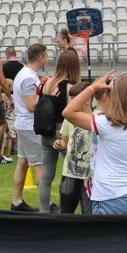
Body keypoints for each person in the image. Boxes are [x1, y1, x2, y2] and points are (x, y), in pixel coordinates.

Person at [62, 72, 127, 214]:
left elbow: (68, 112)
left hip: (111, 194)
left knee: (108, 236)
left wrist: (92, 88)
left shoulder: (107, 124)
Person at [37, 49, 81, 214]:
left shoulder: (47, 83)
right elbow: (72, 112)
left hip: (45, 132)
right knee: (71, 173)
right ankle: (66, 210)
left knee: (46, 176)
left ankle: (43, 211)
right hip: (62, 133)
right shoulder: (70, 85)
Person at [11, 44, 49, 212]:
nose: (47, 59)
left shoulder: (25, 74)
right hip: (30, 125)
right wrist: (47, 96)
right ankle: (45, 205)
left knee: (23, 162)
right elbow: (30, 105)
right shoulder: (28, 77)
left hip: (23, 124)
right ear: (40, 58)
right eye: (46, 56)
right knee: (40, 164)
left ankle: (17, 202)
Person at [56, 82, 93, 214]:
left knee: (88, 212)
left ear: (87, 99)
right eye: (71, 98)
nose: (71, 102)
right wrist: (60, 144)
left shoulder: (96, 119)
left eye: (75, 98)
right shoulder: (68, 120)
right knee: (66, 210)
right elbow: (65, 140)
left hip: (89, 175)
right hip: (70, 173)